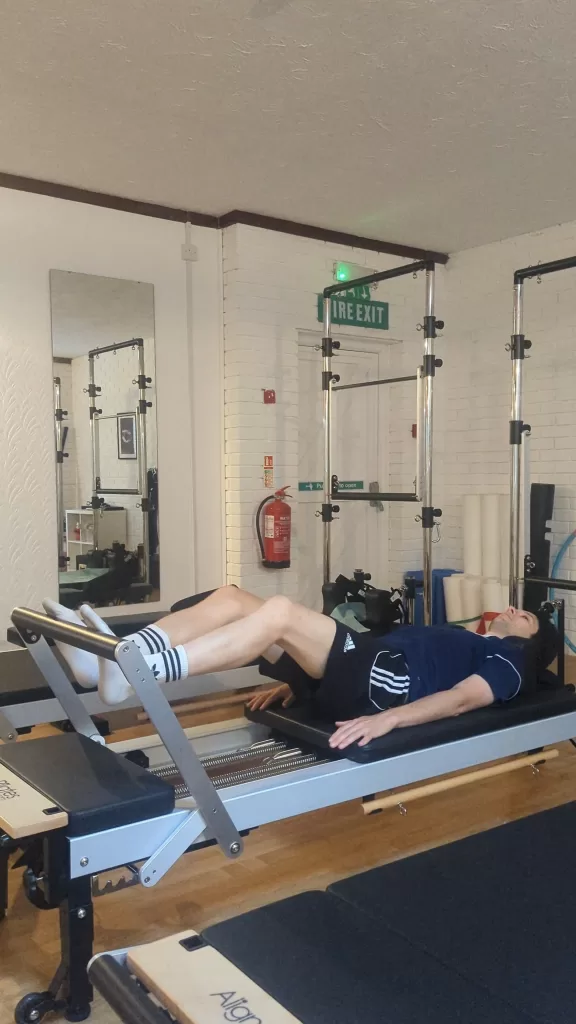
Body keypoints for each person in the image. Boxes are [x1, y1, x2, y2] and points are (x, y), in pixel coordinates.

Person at [43, 587, 559, 751]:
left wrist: (392, 720)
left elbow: (466, 699)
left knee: (281, 613)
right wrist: (305, 688)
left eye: (527, 616)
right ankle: (106, 663)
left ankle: (134, 672)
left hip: (386, 682)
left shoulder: (510, 661)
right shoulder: (474, 637)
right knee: (232, 598)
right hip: (364, 667)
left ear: (533, 640)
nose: (516, 611)